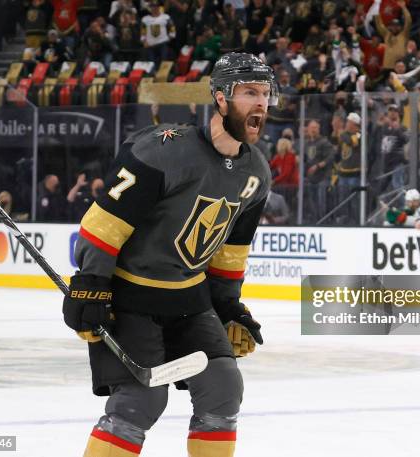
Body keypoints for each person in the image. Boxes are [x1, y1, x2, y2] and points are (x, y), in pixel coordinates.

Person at [62, 52, 274, 457]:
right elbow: (104, 224)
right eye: (250, 92)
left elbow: (230, 251)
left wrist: (227, 307)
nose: (261, 103)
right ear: (221, 98)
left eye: (265, 94)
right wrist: (91, 286)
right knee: (140, 402)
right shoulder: (164, 150)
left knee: (224, 388)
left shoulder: (256, 174)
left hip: (189, 300)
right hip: (130, 297)